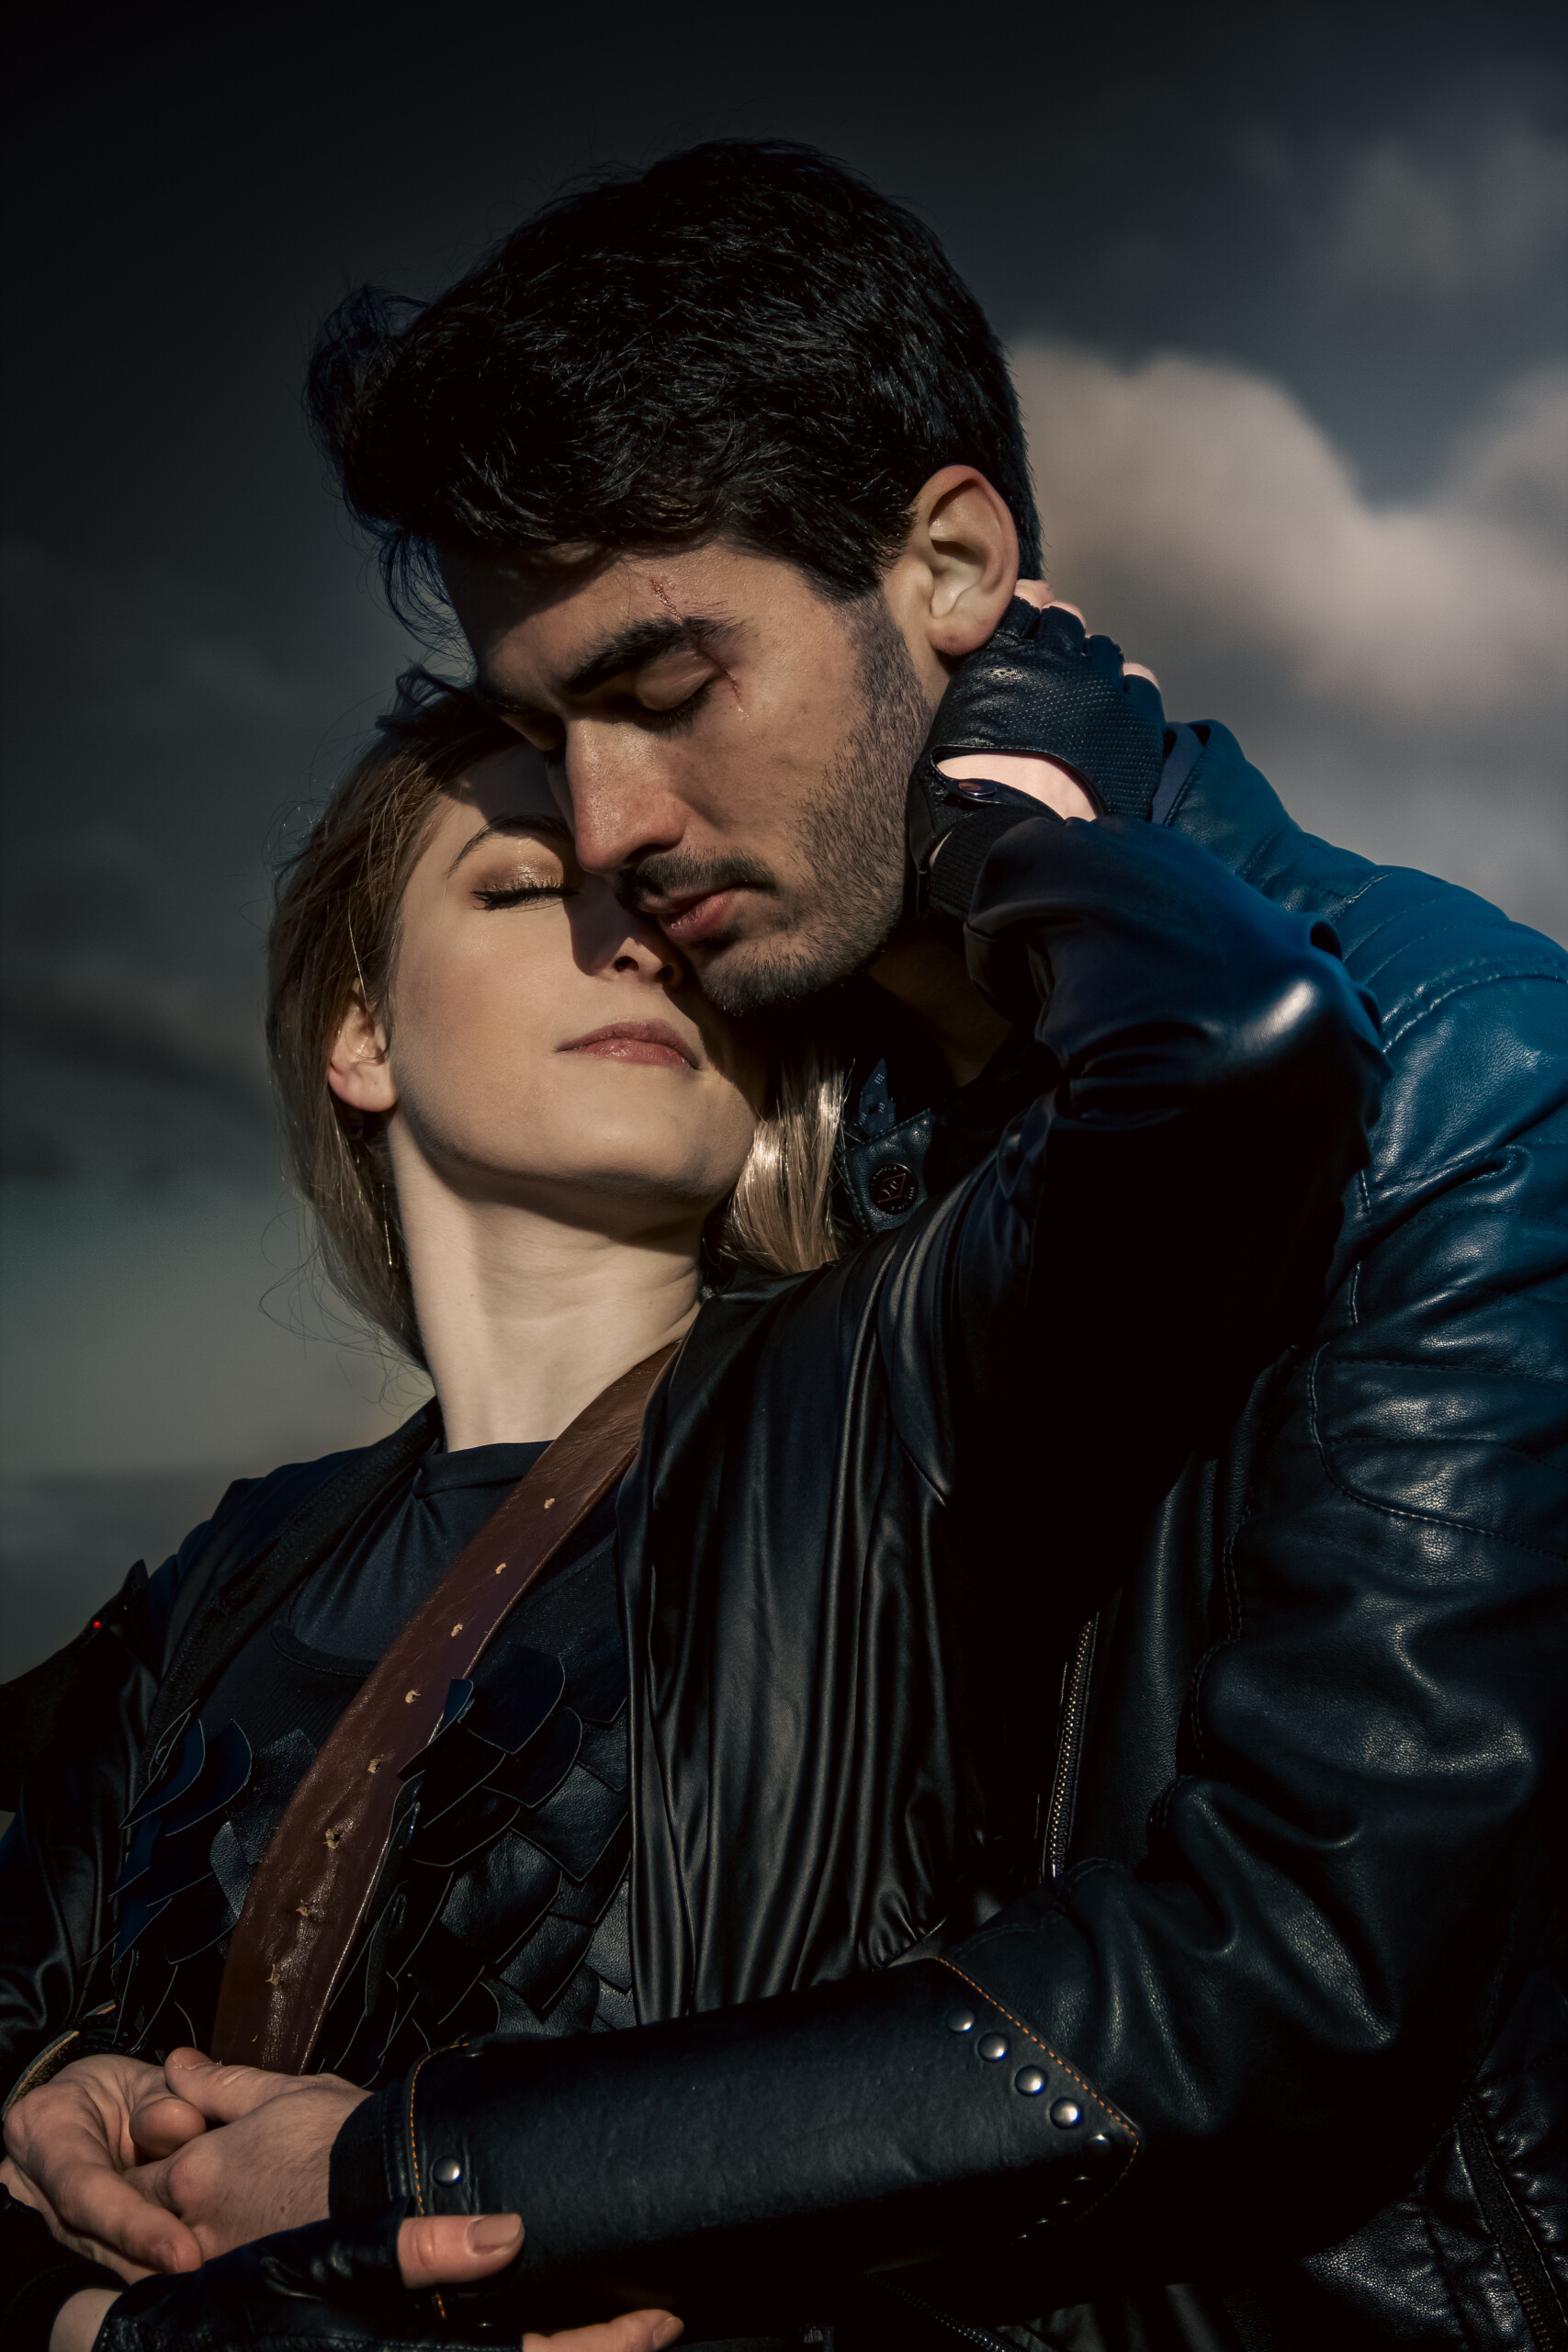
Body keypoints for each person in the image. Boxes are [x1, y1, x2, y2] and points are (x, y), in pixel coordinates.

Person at [8, 135, 1564, 2347]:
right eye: (542, 738)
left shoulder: (1463, 1060)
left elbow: (1290, 1970)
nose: (611, 834)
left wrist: (422, 2166)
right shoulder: (830, 1147)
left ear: (949, 566)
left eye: (664, 684)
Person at [0, 632, 1382, 2352]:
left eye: (668, 894)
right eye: (527, 886)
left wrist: (987, 813)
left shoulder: (893, 1390)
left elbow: (1238, 1056)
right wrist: (59, 2168)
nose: (630, 933)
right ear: (360, 1031)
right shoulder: (240, 1565)